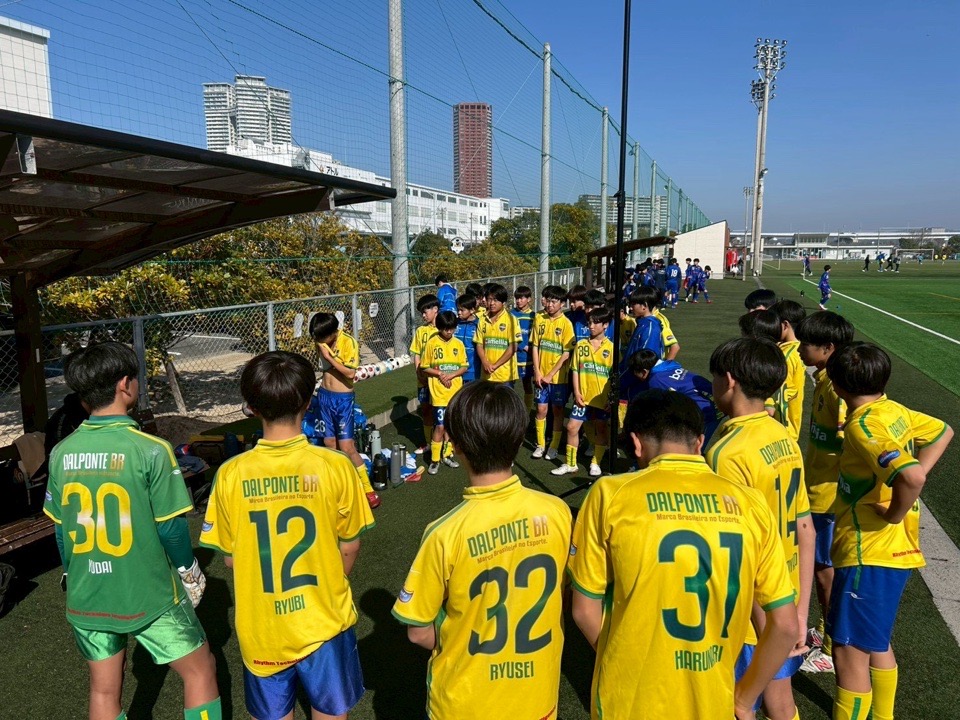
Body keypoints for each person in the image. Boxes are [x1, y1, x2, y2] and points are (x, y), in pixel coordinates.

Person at [569, 389, 798, 720]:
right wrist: (744, 699)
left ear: (635, 444)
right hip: (713, 699)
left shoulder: (609, 494)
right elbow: (786, 626)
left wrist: (624, 657)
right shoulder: (752, 503)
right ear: (699, 443)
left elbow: (583, 609)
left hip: (630, 700)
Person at [44, 341, 221, 720]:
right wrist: (189, 569)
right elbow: (171, 527)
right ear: (125, 384)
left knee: (104, 690)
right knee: (200, 669)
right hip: (147, 591)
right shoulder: (150, 449)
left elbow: (60, 530)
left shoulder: (61, 453)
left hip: (87, 591)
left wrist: (70, 572)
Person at [201, 351, 374, 720]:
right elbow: (350, 544)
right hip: (324, 619)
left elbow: (230, 559)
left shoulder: (230, 474)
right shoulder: (336, 466)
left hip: (263, 627)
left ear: (250, 407)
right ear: (309, 402)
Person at [393, 381, 572, 720]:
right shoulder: (558, 512)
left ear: (455, 444)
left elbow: (418, 632)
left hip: (465, 702)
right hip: (537, 696)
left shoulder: (444, 532)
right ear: (519, 439)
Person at [825, 343, 953, 720]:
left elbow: (910, 477)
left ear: (837, 385)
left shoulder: (863, 425)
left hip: (869, 549)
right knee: (875, 643)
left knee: (848, 652)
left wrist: (896, 511)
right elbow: (942, 432)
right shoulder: (894, 409)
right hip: (895, 549)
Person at [706, 337, 814, 720]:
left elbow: (741, 551)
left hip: (755, 609)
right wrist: (799, 614)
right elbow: (805, 526)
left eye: (714, 377)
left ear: (729, 380)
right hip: (785, 595)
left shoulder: (727, 453)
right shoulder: (783, 436)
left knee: (737, 704)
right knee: (780, 699)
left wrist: (773, 629)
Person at [794, 311, 855, 675]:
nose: (801, 349)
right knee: (819, 569)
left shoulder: (838, 389)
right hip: (818, 489)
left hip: (829, 498)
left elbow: (853, 439)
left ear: (828, 348)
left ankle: (833, 650)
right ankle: (826, 630)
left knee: (825, 572)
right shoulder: (824, 380)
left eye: (807, 344)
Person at [309, 311, 381, 509]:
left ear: (333, 332)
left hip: (342, 400)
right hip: (324, 396)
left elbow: (350, 373)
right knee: (329, 443)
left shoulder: (348, 342)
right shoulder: (320, 340)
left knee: (347, 446)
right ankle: (337, 487)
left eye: (321, 337)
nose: (319, 341)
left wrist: (329, 357)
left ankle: (367, 489)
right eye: (316, 337)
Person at [552, 307, 612, 477]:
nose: (591, 326)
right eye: (589, 322)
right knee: (572, 427)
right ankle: (570, 464)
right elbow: (575, 371)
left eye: (595, 323)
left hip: (601, 399)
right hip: (582, 398)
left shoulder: (612, 349)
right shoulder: (581, 345)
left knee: (601, 429)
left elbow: (614, 377)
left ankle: (595, 463)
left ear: (605, 325)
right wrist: (577, 392)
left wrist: (610, 399)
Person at [629, 349, 722, 444]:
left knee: (693, 447)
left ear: (644, 372)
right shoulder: (669, 366)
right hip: (715, 399)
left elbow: (664, 409)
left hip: (707, 411)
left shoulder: (655, 380)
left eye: (635, 373)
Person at [420, 310, 469, 475]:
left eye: (452, 328)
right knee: (440, 426)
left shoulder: (458, 344)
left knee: (450, 426)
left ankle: (447, 455)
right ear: (439, 327)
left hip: (455, 392)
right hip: (439, 393)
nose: (449, 332)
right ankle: (434, 460)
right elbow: (424, 366)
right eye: (446, 329)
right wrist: (440, 374)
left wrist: (452, 375)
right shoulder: (432, 343)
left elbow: (464, 366)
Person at [531, 285, 576, 460]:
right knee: (541, 409)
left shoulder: (566, 324)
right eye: (548, 301)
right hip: (541, 376)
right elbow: (535, 346)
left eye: (554, 301)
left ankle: (554, 446)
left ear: (562, 304)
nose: (549, 305)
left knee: (557, 410)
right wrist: (537, 371)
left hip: (558, 378)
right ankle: (540, 444)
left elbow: (566, 353)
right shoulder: (539, 319)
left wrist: (550, 374)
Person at [619, 287, 664, 417]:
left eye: (633, 304)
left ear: (644, 306)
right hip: (631, 383)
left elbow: (642, 363)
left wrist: (621, 382)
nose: (630, 307)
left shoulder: (650, 328)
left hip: (638, 387)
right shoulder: (643, 323)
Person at [770, 300, 808, 442]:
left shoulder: (785, 356)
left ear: (785, 325)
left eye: (774, 324)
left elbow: (781, 397)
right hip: (791, 427)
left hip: (782, 432)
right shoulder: (798, 350)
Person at [473, 283, 521, 389]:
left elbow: (513, 347)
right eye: (489, 299)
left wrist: (495, 365)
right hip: (487, 374)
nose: (491, 303)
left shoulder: (511, 320)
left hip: (505, 375)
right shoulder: (482, 319)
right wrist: (485, 362)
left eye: (495, 300)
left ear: (503, 302)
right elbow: (479, 344)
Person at [410, 294, 440, 450]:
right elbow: (416, 353)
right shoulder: (421, 331)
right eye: (421, 312)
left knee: (441, 411)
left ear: (435, 309)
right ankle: (428, 443)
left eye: (425, 311)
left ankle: (444, 444)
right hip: (423, 380)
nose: (423, 315)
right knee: (426, 410)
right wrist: (418, 373)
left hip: (439, 379)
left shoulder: (444, 328)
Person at [510, 285, 536, 411]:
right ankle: (511, 411)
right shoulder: (511, 315)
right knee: (510, 386)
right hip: (513, 357)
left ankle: (527, 411)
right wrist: (524, 346)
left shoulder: (534, 316)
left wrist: (532, 349)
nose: (518, 301)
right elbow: (509, 335)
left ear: (529, 299)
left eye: (522, 298)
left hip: (528, 359)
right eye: (517, 298)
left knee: (527, 384)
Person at [454, 294, 481, 384]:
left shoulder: (479, 325)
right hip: (455, 370)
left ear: (472, 310)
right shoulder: (454, 324)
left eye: (462, 310)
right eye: (458, 310)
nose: (459, 313)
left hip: (473, 371)